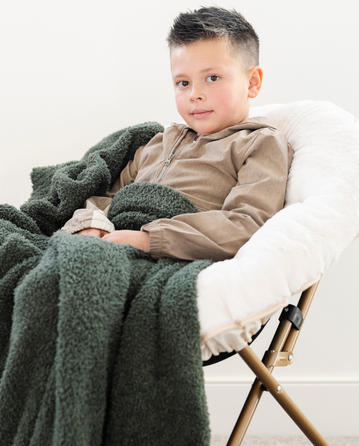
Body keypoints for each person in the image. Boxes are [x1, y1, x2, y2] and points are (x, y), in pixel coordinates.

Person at [61, 6, 293, 262]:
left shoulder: (259, 143)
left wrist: (149, 240)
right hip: (112, 240)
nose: (195, 94)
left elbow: (247, 223)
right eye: (183, 83)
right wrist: (91, 225)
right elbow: (108, 198)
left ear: (252, 82)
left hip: (165, 256)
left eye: (213, 77)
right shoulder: (158, 143)